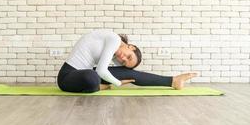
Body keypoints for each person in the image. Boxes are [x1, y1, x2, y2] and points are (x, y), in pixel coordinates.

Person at [57, 29, 197, 93]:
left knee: (117, 73)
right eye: (129, 56)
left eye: (124, 61)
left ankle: (172, 81)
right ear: (131, 46)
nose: (122, 59)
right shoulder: (114, 39)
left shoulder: (114, 52)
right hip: (68, 76)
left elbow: (126, 72)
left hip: (83, 74)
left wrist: (125, 69)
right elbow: (101, 70)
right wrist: (117, 83)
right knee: (93, 76)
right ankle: (98, 87)